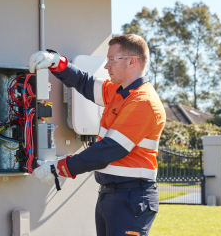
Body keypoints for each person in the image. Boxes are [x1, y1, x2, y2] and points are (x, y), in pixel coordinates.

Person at [29, 34, 166, 236]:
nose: (106, 66)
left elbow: (109, 150)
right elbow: (85, 82)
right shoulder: (120, 92)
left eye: (112, 60)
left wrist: (59, 168)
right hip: (113, 194)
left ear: (131, 61)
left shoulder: (143, 102)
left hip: (131, 197)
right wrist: (57, 62)